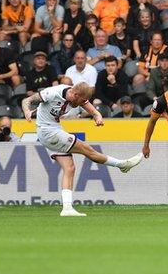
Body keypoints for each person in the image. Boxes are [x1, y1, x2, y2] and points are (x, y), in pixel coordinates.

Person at [21, 82, 143, 216]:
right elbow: (27, 100)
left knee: (69, 168)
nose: (81, 104)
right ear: (75, 94)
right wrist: (27, 110)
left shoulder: (76, 96)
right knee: (87, 149)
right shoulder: (52, 93)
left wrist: (96, 114)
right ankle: (122, 165)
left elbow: (86, 103)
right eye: (80, 101)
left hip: (54, 129)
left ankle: (67, 208)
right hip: (48, 132)